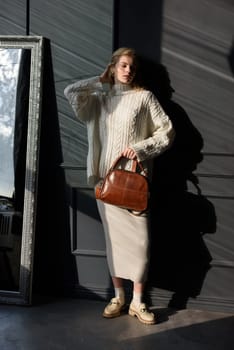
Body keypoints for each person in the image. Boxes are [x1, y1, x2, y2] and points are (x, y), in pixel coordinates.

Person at [64, 47, 175, 325]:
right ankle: (118, 297)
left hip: (135, 182)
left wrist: (139, 148)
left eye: (132, 67)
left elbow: (167, 130)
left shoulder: (144, 97)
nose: (128, 71)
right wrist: (99, 81)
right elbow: (71, 92)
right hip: (107, 182)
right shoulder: (100, 99)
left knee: (140, 244)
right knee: (113, 244)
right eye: (123, 66)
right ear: (113, 67)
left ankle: (138, 302)